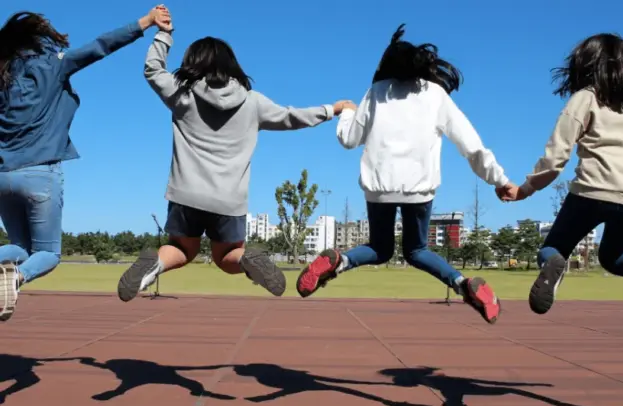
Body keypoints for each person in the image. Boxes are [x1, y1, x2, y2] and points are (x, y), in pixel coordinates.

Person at [117, 8, 353, 302]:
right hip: (229, 201)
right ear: (232, 65)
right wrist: (332, 110)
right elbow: (292, 117)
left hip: (185, 194)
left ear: (193, 63)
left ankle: (155, 265)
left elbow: (153, 69)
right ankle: (247, 261)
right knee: (227, 256)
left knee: (182, 249)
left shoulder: (183, 94)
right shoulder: (253, 103)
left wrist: (163, 34)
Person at [295, 24, 513, 324]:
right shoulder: (435, 95)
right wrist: (499, 180)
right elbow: (470, 145)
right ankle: (463, 284)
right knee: (417, 249)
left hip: (379, 187)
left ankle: (338, 261)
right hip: (419, 190)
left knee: (379, 248)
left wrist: (346, 111)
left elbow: (348, 139)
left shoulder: (376, 93)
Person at [0, 6, 170, 321]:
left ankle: (10, 272)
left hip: (3, 176)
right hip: (40, 172)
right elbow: (100, 46)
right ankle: (15, 279)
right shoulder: (53, 65)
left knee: (21, 248)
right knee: (48, 254)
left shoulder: (3, 78)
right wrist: (145, 22)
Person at [497, 33, 623, 315]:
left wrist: (525, 189)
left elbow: (556, 157)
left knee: (552, 249)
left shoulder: (585, 98)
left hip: (590, 193)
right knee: (614, 258)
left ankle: (553, 265)